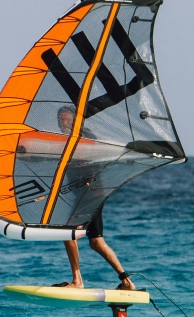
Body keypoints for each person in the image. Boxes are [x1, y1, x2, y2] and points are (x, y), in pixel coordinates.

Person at [53, 104, 136, 291]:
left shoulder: (86, 137)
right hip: (91, 196)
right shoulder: (62, 140)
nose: (64, 123)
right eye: (61, 120)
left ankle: (77, 281)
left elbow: (89, 156)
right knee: (97, 242)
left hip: (90, 195)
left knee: (67, 232)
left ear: (75, 121)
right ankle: (127, 282)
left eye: (67, 120)